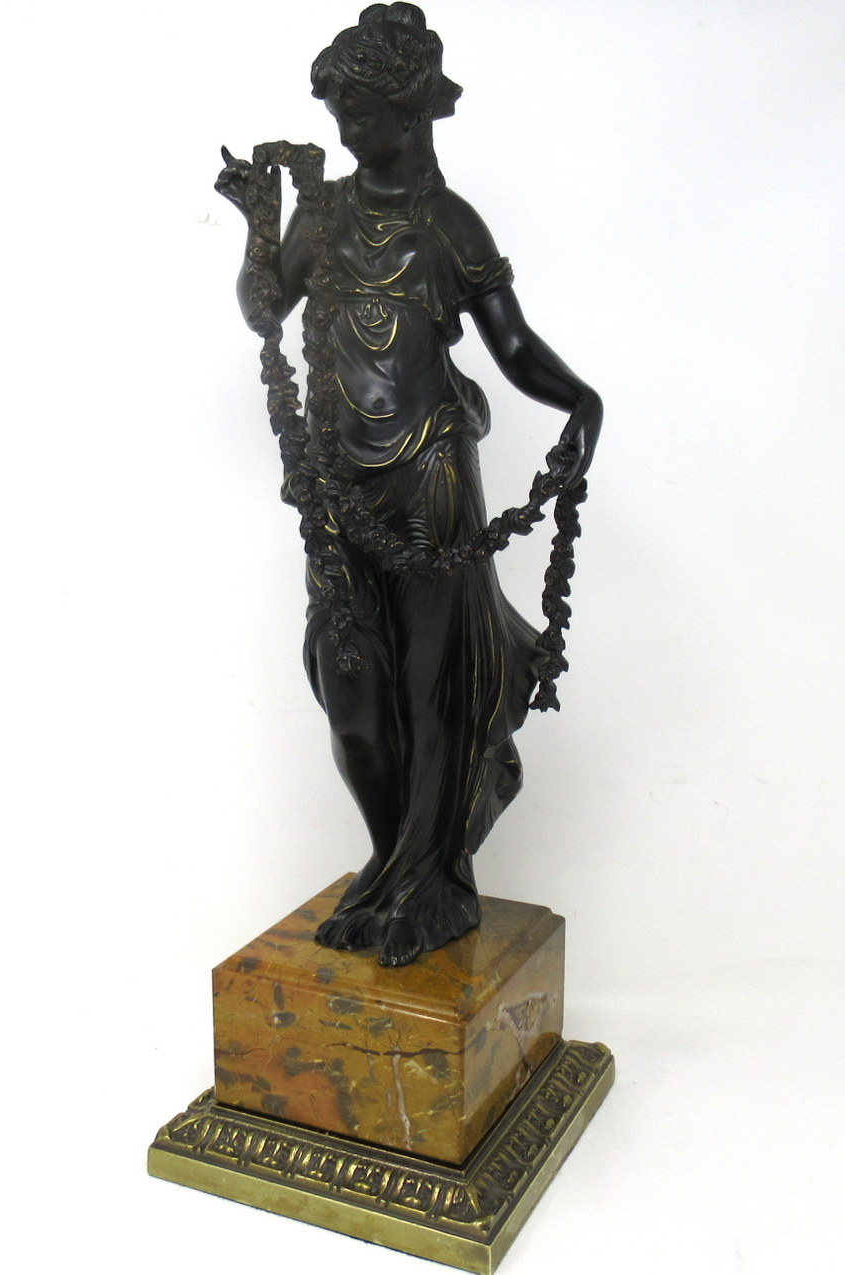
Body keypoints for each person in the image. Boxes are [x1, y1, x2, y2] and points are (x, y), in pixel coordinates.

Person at [216, 3, 602, 967]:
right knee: (350, 691)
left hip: (428, 480)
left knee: (434, 693)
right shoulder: (323, 214)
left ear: (409, 111)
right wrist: (259, 223)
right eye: (338, 110)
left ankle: (426, 880)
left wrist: (581, 402)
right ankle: (396, 861)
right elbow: (264, 309)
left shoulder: (448, 224)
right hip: (337, 494)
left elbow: (513, 347)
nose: (344, 128)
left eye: (359, 110)